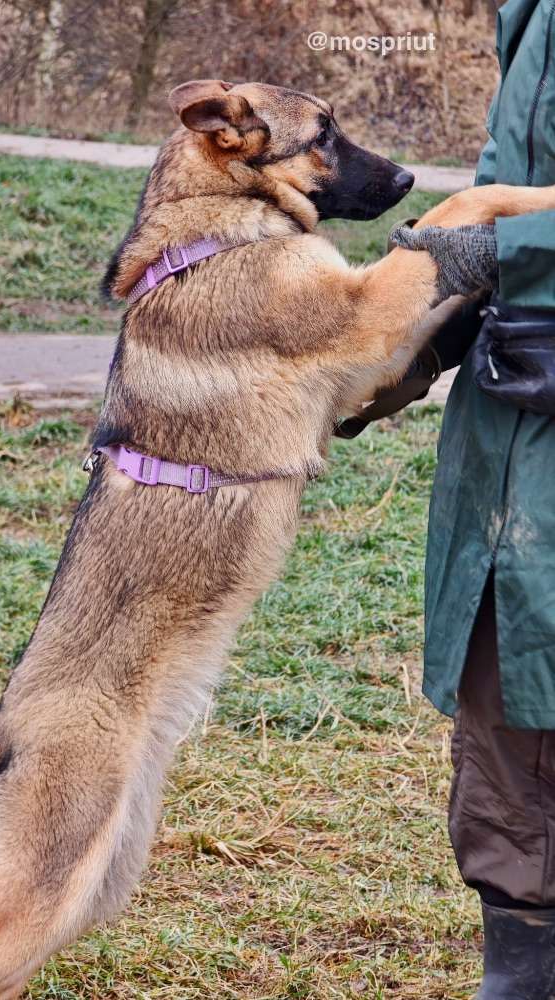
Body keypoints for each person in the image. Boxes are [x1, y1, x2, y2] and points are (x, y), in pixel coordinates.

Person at [377, 1, 555, 995]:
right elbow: (514, 180)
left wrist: (505, 244)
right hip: (513, 442)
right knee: (505, 731)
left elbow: (509, 216)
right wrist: (422, 331)